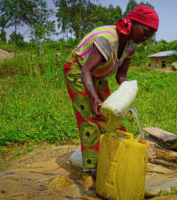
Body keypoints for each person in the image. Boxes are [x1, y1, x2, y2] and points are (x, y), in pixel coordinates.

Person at [63, 5, 159, 172]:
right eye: (145, 32)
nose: (146, 38)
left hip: (98, 75)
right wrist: (95, 99)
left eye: (150, 36)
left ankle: (112, 157)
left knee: (110, 116)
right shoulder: (108, 38)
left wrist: (127, 93)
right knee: (91, 119)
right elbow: (86, 70)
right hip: (78, 70)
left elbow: (121, 76)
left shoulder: (131, 45)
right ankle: (91, 171)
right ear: (133, 23)